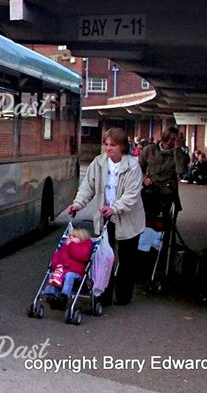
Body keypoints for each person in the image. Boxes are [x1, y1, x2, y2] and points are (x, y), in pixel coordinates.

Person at [67, 127, 145, 306]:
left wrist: (115, 208)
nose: (108, 149)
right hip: (105, 217)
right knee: (104, 257)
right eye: (106, 144)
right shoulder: (99, 163)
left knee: (126, 259)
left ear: (123, 147)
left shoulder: (132, 166)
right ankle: (104, 294)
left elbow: (132, 194)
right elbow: (88, 187)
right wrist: (78, 204)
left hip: (128, 220)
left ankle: (124, 296)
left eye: (113, 145)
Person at [140, 127, 188, 219]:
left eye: (177, 140)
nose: (174, 142)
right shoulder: (150, 150)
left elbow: (181, 170)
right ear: (165, 138)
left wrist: (178, 149)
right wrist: (144, 178)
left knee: (165, 222)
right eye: (173, 139)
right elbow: (139, 167)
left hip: (168, 192)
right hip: (150, 190)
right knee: (146, 218)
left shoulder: (179, 154)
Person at [42, 227, 94, 300]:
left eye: (74, 237)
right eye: (70, 236)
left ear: (82, 239)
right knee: (53, 274)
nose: (71, 238)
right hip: (63, 269)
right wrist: (55, 263)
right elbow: (58, 257)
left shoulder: (84, 246)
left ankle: (64, 295)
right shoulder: (65, 246)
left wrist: (71, 245)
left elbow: (81, 256)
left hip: (76, 272)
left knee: (69, 275)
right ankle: (52, 294)